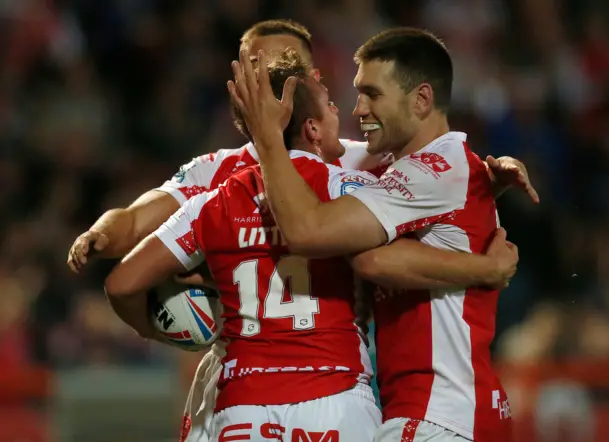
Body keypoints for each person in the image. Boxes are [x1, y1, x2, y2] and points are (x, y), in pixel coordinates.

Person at [104, 51, 518, 442]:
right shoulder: (350, 191)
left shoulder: (210, 204)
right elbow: (401, 243)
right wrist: (483, 204)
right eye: (332, 104)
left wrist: (158, 329)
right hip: (335, 399)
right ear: (312, 128)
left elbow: (122, 284)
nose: (348, 112)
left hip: (244, 405)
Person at [67, 19, 536, 274]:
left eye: (293, 68)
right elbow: (132, 221)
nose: (278, 80)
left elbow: (435, 189)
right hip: (253, 373)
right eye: (262, 67)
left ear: (313, 78)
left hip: (353, 382)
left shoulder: (360, 159)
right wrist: (99, 234)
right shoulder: (217, 170)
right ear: (239, 86)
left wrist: (482, 182)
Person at [228, 28, 518, 442]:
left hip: (440, 416)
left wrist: (268, 134)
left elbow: (309, 232)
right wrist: (483, 266)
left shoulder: (437, 167)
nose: (359, 108)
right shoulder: (400, 166)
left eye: (373, 94)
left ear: (421, 100)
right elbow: (326, 160)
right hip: (442, 412)